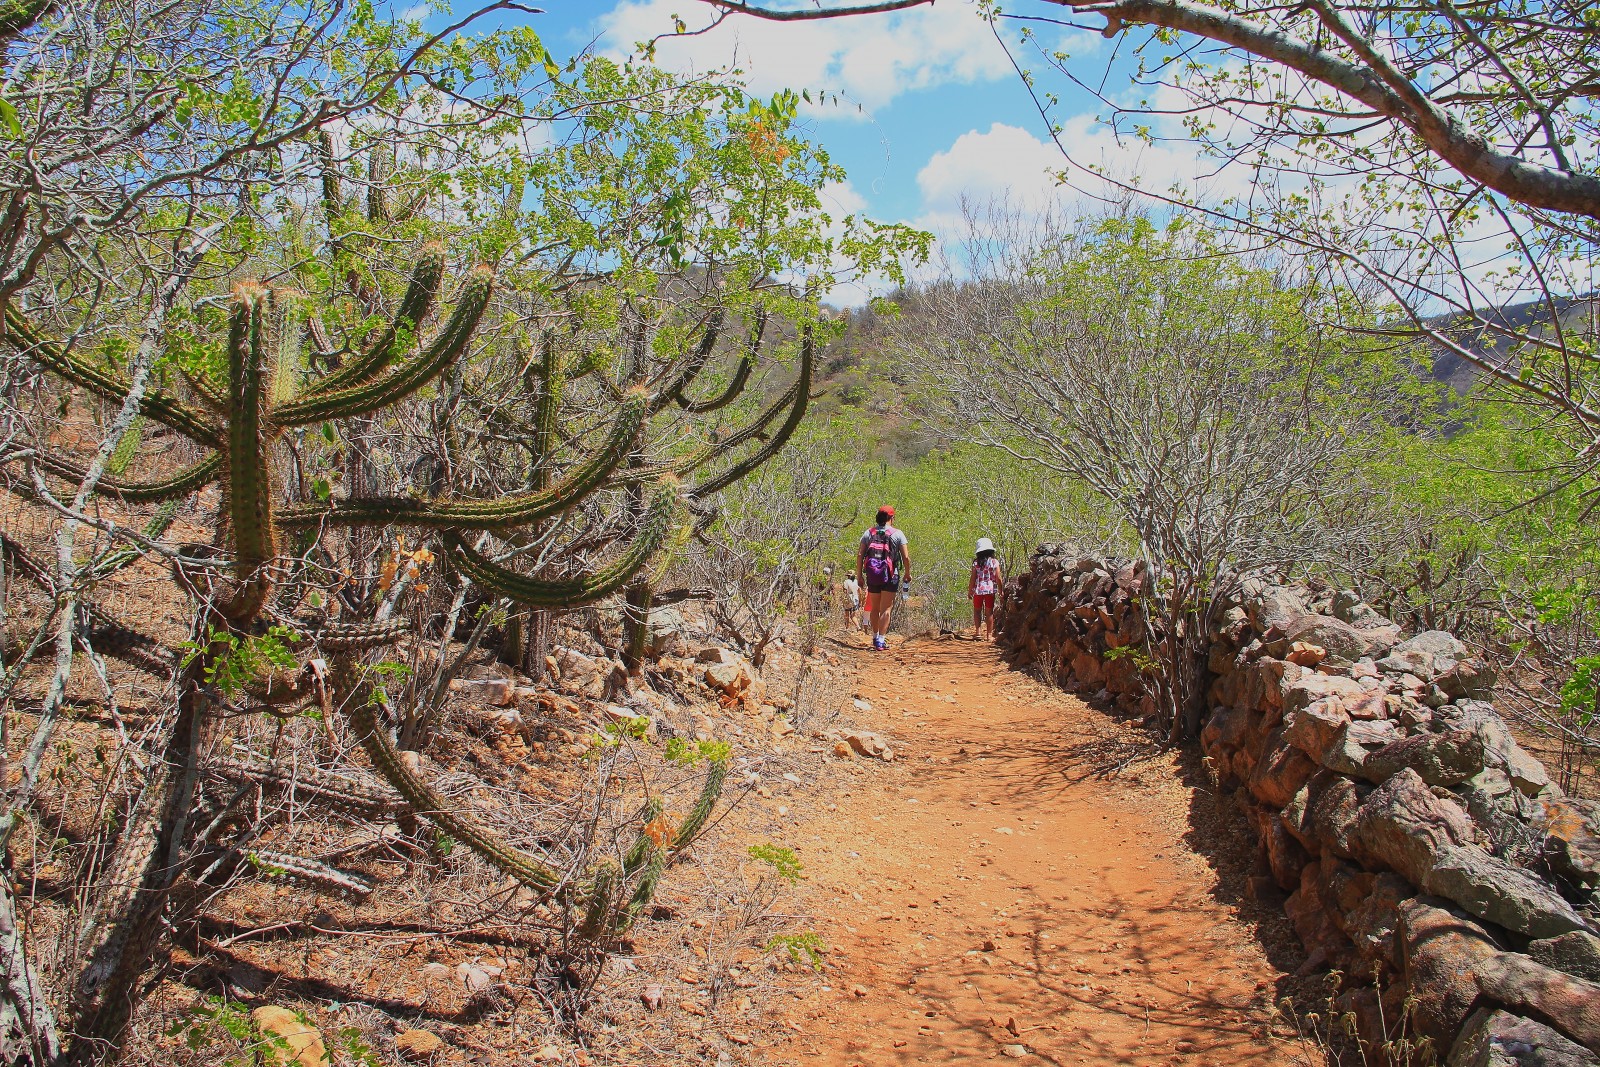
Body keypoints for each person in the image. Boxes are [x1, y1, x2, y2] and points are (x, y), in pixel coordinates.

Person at [857, 505, 910, 651]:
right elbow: (905, 556)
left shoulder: (869, 533)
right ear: (891, 518)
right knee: (886, 608)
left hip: (873, 574)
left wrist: (859, 575)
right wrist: (907, 573)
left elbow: (860, 554)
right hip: (891, 575)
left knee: (874, 607)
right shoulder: (898, 534)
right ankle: (881, 640)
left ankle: (874, 637)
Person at [969, 537, 1004, 641]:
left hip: (978, 590)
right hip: (990, 590)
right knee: (989, 612)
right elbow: (998, 577)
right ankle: (989, 635)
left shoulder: (976, 563)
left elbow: (973, 578)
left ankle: (978, 632)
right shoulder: (994, 562)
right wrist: (1000, 590)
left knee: (977, 611)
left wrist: (970, 590)